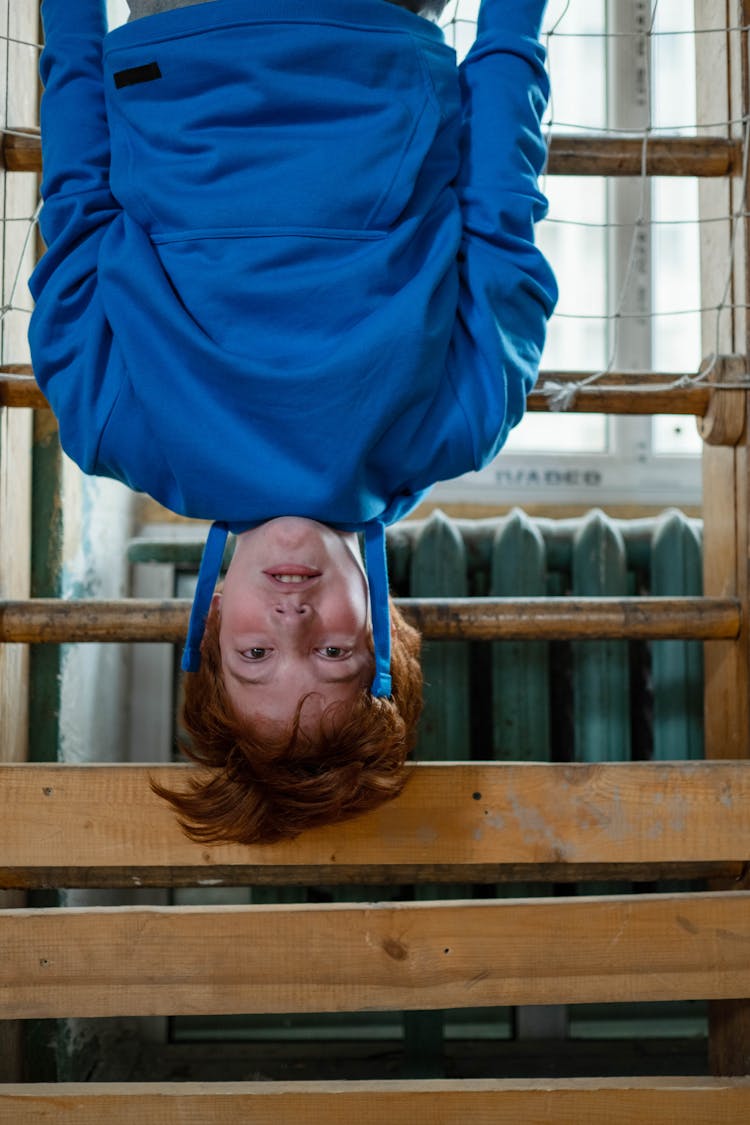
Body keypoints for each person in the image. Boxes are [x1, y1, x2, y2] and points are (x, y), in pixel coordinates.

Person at [29, 0, 557, 842]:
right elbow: (503, 201)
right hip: (377, 21)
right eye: (334, 656)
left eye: (256, 658)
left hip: (184, 20)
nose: (292, 621)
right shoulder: (466, 416)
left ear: (208, 625)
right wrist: (515, 20)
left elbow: (79, 196)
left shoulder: (110, 424)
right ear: (388, 632)